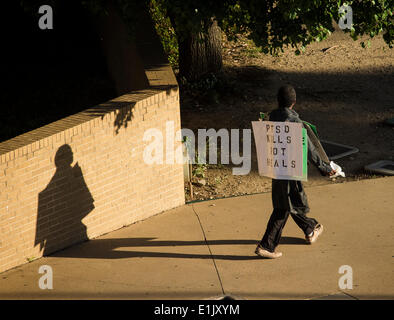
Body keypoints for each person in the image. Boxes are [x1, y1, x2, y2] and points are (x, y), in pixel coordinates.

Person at [255, 85, 335, 259]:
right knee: (284, 207)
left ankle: (310, 228)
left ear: (278, 101)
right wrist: (325, 168)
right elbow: (310, 150)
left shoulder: (269, 118)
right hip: (291, 169)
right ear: (294, 103)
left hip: (276, 168)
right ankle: (266, 246)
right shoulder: (294, 123)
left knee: (288, 203)